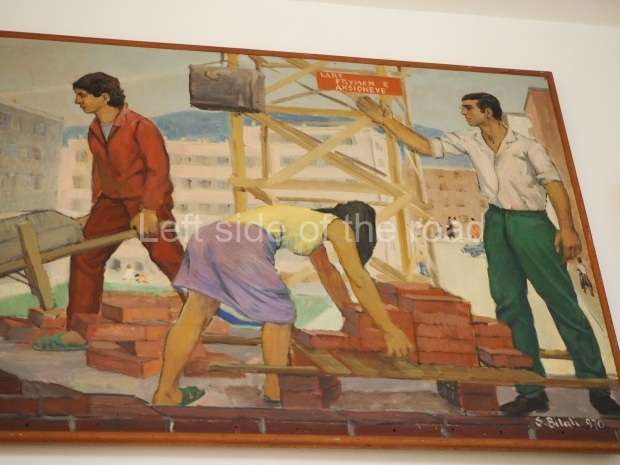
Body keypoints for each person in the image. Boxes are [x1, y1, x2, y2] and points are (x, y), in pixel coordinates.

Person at [357, 93, 620, 418]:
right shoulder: (469, 141)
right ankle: (530, 391)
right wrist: (386, 121)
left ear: (488, 111)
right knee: (508, 303)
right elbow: (425, 146)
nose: (463, 112)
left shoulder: (527, 147)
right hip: (496, 223)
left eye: (468, 108)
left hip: (532, 223)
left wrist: (567, 228)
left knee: (562, 303)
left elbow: (554, 185)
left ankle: (597, 388)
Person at [152, 202, 413, 406]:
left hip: (208, 236)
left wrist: (350, 314)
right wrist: (389, 329)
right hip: (241, 241)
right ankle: (274, 389)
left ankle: (166, 392)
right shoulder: (338, 226)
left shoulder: (310, 223)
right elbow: (358, 278)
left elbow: (328, 273)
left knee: (195, 315)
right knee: (281, 314)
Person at [33, 72, 185, 351]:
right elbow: (100, 171)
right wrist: (95, 209)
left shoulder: (140, 126)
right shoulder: (94, 129)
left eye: (82, 95)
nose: (77, 101)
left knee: (168, 257)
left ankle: (204, 316)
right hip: (112, 202)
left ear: (104, 97)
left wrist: (149, 209)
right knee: (86, 255)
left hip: (147, 201)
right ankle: (78, 330)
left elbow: (158, 170)